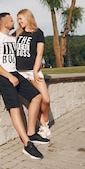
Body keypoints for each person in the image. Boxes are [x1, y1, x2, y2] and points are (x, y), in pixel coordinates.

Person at [0, 12, 49, 160]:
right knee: (15, 108)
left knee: (37, 96)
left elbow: (27, 50)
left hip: (14, 73)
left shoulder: (11, 38)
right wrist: (9, 76)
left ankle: (31, 134)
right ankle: (27, 144)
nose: (13, 21)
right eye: (10, 20)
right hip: (2, 76)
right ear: (4, 23)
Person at [15, 9, 51, 139]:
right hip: (20, 72)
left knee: (46, 99)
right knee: (34, 100)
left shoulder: (38, 33)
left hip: (33, 71)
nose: (18, 22)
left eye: (20, 18)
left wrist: (35, 72)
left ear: (27, 17)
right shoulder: (17, 33)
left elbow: (39, 54)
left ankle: (44, 122)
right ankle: (43, 126)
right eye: (18, 19)